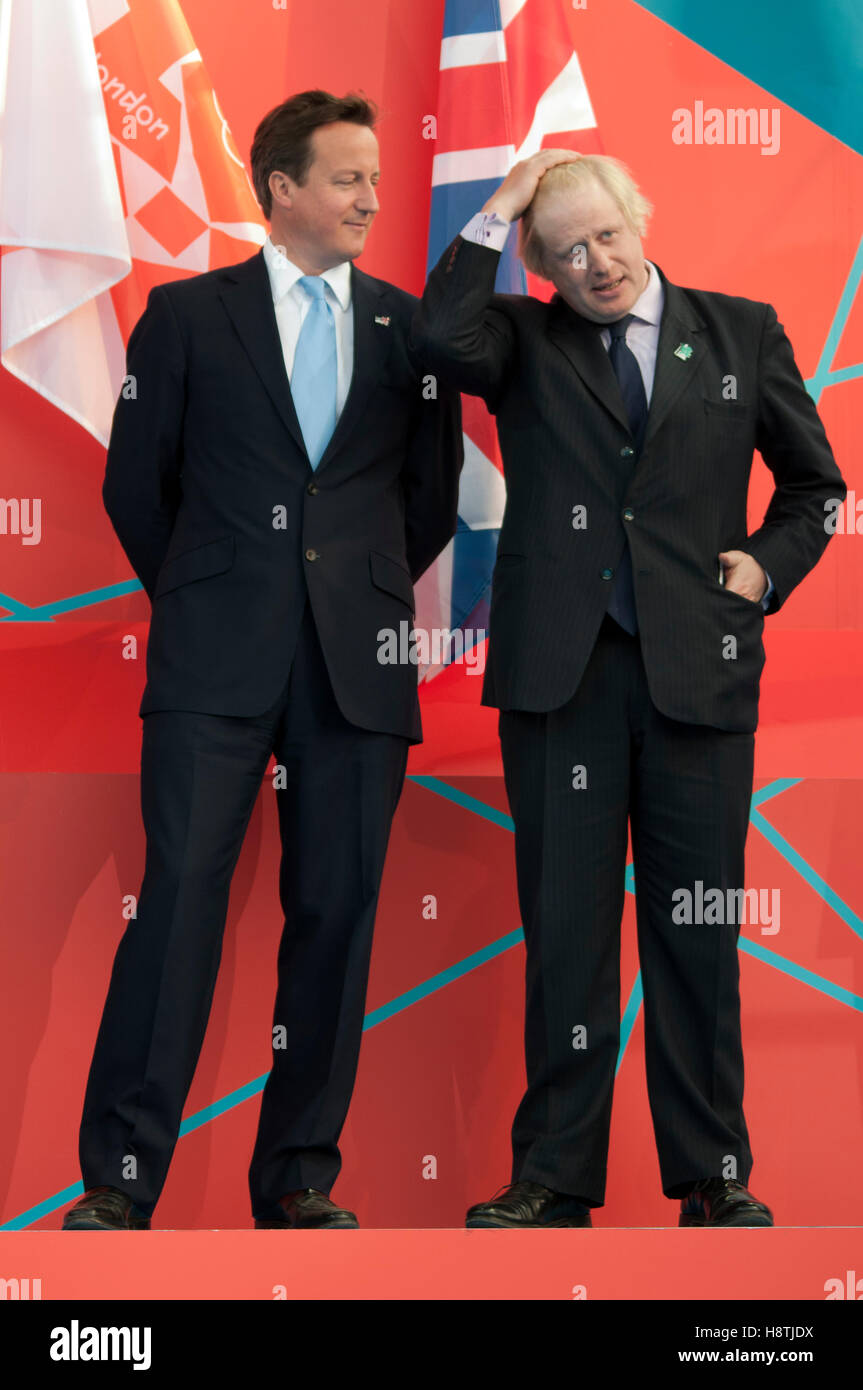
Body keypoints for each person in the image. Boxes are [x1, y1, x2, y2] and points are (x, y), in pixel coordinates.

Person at [411, 150, 844, 1228]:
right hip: (560, 681)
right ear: (540, 265)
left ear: (637, 218)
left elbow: (813, 486)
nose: (593, 262)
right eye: (562, 250)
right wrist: (502, 205)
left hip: (695, 672)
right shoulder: (517, 339)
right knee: (564, 931)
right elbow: (435, 336)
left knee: (695, 930)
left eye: (605, 234)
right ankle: (553, 1176)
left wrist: (765, 567)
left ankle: (712, 1173)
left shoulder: (739, 329)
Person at [62, 89, 462, 1232]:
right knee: (176, 902)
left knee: (336, 913)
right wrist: (214, 590)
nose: (370, 199)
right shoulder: (184, 317)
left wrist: (349, 590)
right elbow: (139, 488)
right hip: (213, 661)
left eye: (376, 179)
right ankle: (117, 1183)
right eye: (346, 178)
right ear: (279, 188)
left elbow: (423, 502)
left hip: (358, 665)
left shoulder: (407, 331)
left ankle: (297, 1178)